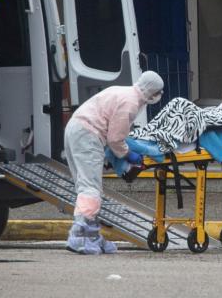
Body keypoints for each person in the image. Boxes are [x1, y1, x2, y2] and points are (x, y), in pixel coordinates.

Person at [64, 71, 164, 255]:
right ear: (153, 93)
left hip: (74, 129)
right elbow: (115, 139)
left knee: (84, 185)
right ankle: (79, 235)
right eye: (158, 93)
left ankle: (92, 236)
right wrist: (129, 154)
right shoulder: (131, 103)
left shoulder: (122, 91)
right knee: (90, 187)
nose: (158, 97)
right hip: (88, 134)